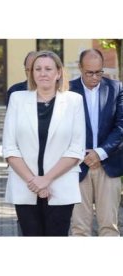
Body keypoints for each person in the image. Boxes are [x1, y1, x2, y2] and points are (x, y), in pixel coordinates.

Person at [2, 50, 86, 236]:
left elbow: (76, 149)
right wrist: (34, 181)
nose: (43, 73)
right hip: (25, 185)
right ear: (31, 73)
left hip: (61, 184)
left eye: (48, 68)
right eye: (37, 69)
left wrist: (46, 180)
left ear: (58, 73)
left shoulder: (74, 101)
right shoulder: (17, 98)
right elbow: (9, 147)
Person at [70, 49, 123, 236]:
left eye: (99, 72)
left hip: (108, 165)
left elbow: (121, 126)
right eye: (89, 72)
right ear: (80, 68)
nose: (95, 77)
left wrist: (99, 153)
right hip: (77, 166)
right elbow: (62, 129)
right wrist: (82, 154)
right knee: (79, 229)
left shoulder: (116, 88)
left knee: (109, 227)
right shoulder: (67, 90)